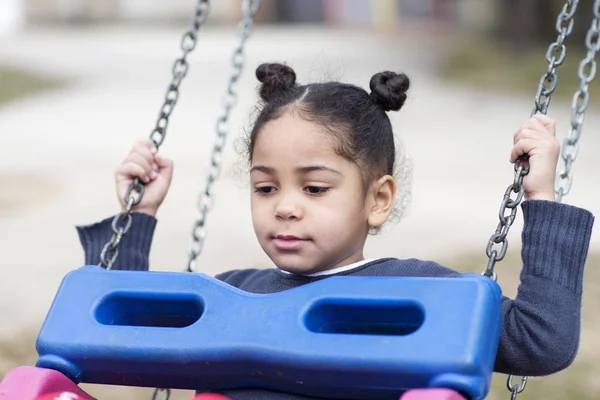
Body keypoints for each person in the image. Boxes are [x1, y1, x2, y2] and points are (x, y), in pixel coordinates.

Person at [77, 63, 594, 399]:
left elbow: (540, 343)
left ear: (377, 199)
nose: (285, 208)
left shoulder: (422, 294)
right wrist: (135, 216)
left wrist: (540, 198)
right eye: (265, 188)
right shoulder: (233, 293)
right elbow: (120, 329)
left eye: (315, 189)